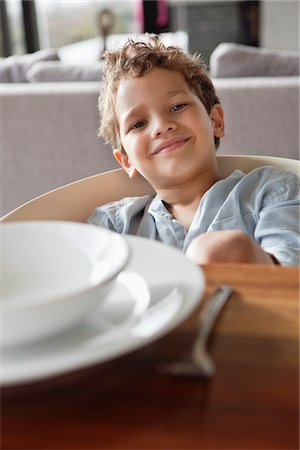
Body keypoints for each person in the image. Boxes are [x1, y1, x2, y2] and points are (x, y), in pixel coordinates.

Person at [89, 35, 299, 266]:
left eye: (177, 107)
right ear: (126, 160)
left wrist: (232, 254)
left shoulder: (272, 190)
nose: (161, 126)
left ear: (216, 121)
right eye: (138, 124)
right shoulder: (113, 226)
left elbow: (292, 275)